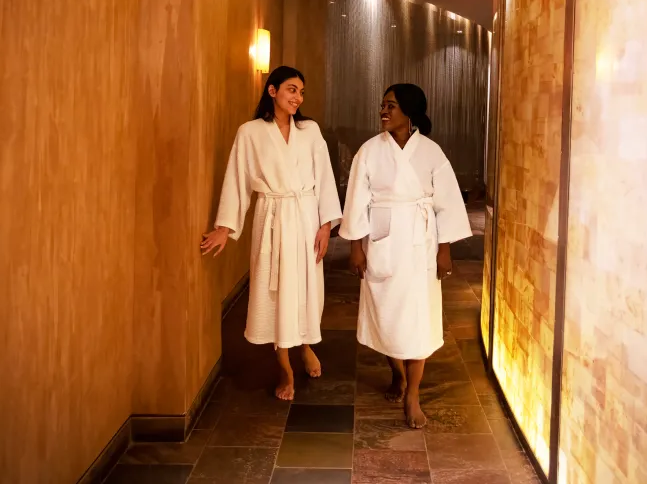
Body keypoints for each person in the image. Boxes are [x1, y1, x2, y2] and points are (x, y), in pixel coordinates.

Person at [200, 66, 342, 401]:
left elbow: (323, 177)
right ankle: (285, 368)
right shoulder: (250, 133)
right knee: (276, 291)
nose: (298, 98)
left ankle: (305, 344)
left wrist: (325, 225)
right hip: (272, 218)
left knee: (305, 288)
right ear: (272, 90)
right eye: (292, 89)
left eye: (302, 92)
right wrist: (224, 227)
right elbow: (237, 179)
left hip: (306, 215)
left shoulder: (309, 131)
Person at [340, 83, 472, 428]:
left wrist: (445, 250)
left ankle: (413, 394)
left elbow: (447, 205)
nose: (384, 111)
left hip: (420, 245)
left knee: (418, 318)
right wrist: (355, 246)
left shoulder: (431, 152)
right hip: (382, 242)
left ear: (409, 111)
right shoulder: (368, 152)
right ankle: (396, 372)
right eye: (382, 105)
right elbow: (356, 201)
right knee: (387, 312)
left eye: (391, 106)